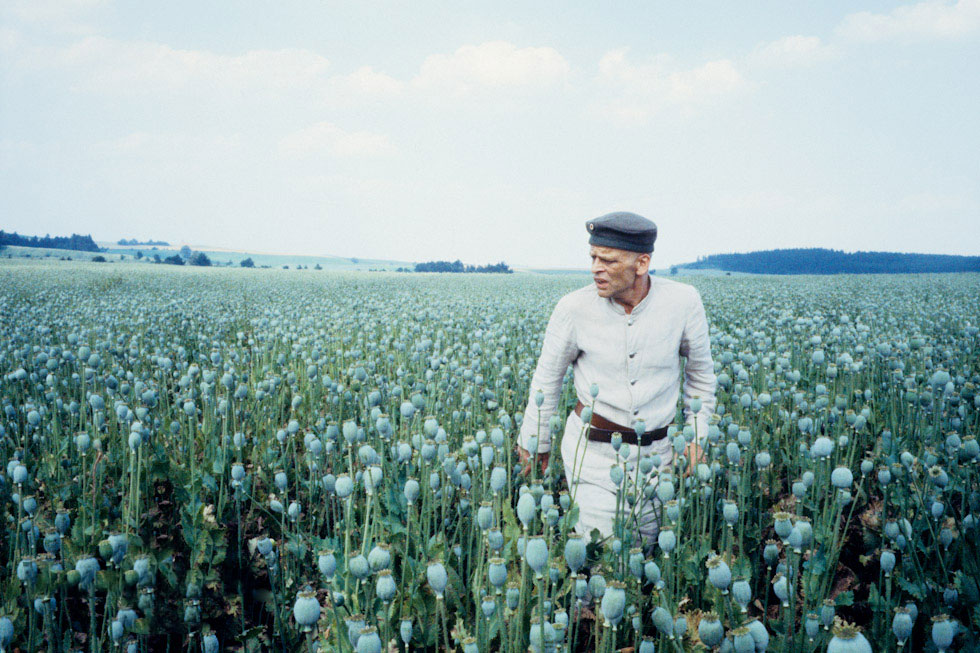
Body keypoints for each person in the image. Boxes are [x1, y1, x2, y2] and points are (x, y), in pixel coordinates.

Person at [516, 211, 716, 547]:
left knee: (647, 554)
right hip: (593, 456)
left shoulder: (683, 302)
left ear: (641, 263)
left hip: (659, 458)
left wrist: (696, 437)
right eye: (593, 257)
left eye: (608, 260)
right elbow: (546, 379)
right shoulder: (572, 308)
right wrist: (536, 442)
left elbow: (701, 378)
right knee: (605, 555)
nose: (596, 268)